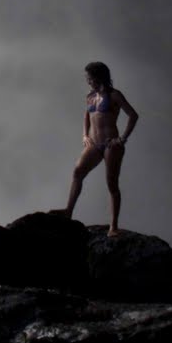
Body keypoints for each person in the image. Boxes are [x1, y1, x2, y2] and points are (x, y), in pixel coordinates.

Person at [61, 61, 139, 237]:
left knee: (112, 184)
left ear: (98, 77)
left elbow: (133, 116)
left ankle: (113, 227)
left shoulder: (114, 95)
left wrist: (122, 139)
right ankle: (68, 211)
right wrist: (84, 135)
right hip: (94, 144)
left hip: (111, 144)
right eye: (87, 78)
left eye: (90, 77)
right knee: (77, 172)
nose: (88, 81)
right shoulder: (90, 96)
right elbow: (87, 116)